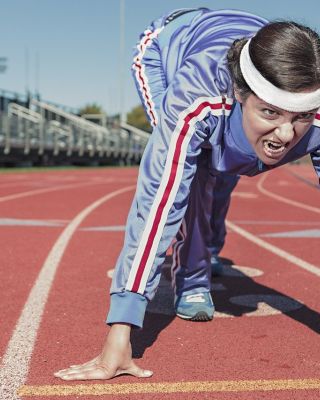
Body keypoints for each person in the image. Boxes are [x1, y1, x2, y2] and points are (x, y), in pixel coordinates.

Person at [54, 8, 320, 380]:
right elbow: (160, 199)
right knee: (193, 173)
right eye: (271, 113)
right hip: (166, 52)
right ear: (242, 94)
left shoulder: (312, 105)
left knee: (227, 166)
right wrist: (121, 330)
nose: (287, 135)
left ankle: (208, 248)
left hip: (237, 57)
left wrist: (284, 117)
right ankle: (192, 278)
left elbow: (286, 121)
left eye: (301, 117)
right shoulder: (195, 97)